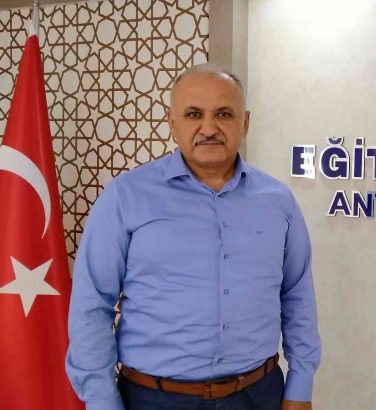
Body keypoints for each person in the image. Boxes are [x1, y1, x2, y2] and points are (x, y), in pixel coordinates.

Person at [66, 64, 321, 410]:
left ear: (245, 123)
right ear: (172, 123)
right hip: (153, 399)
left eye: (224, 114)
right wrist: (101, 402)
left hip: (258, 395)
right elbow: (91, 304)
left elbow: (297, 295)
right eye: (194, 114)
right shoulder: (125, 197)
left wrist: (300, 387)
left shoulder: (278, 201)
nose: (209, 128)